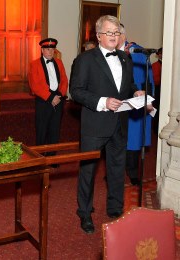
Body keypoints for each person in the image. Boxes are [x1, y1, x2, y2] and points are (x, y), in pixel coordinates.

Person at [70, 15, 143, 234]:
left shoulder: (125, 58)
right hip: (95, 124)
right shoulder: (85, 59)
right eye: (109, 32)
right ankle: (84, 213)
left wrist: (136, 91)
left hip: (120, 123)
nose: (114, 36)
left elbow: (127, 85)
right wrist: (103, 102)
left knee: (117, 168)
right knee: (88, 172)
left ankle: (115, 208)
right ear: (99, 35)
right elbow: (76, 92)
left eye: (117, 32)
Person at [117, 25, 155, 186]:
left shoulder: (136, 53)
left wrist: (147, 101)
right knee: (115, 140)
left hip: (133, 104)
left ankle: (133, 173)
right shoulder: (108, 52)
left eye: (115, 33)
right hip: (115, 103)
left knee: (132, 140)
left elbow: (145, 80)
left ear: (123, 35)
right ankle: (116, 171)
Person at [28, 38, 68, 153]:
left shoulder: (59, 63)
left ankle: (52, 158)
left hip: (58, 100)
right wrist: (50, 97)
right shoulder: (34, 64)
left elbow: (64, 80)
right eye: (47, 49)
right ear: (42, 50)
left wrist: (59, 95)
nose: (50, 52)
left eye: (52, 49)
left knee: (55, 130)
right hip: (43, 101)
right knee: (42, 130)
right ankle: (40, 158)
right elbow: (34, 85)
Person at [152, 47, 162, 132]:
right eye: (160, 53)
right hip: (158, 90)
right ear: (158, 55)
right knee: (157, 109)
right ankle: (156, 129)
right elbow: (155, 80)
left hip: (163, 90)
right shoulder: (155, 65)